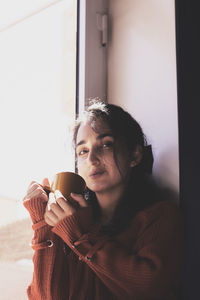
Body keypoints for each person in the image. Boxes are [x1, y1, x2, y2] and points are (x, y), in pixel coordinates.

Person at [23, 100, 184, 300]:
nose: (91, 159)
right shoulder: (72, 224)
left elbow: (148, 287)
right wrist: (42, 225)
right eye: (83, 151)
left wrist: (79, 236)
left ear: (134, 154)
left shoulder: (160, 216)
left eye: (106, 144)